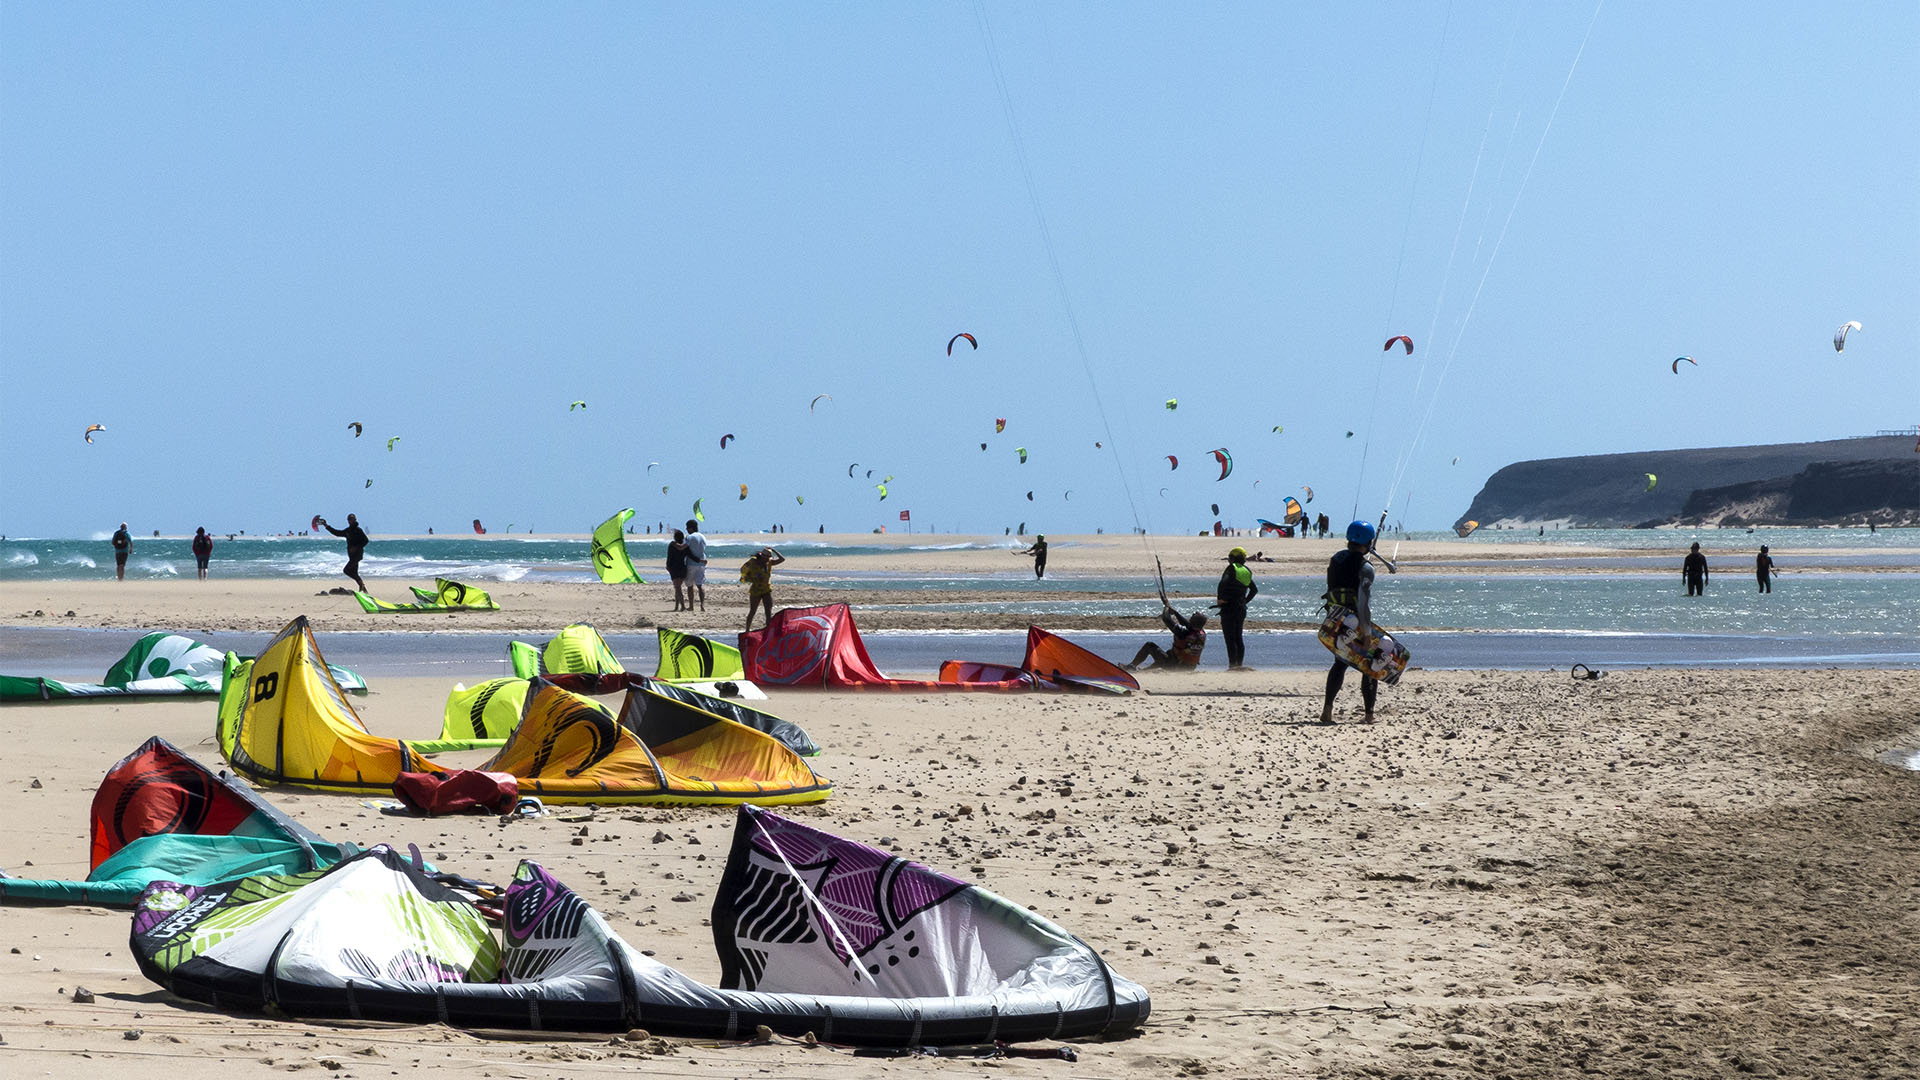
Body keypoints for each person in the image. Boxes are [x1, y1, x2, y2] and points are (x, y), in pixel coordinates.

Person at [1320, 520, 1381, 724]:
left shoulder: (1335, 559)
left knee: (1340, 663)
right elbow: (1363, 603)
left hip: (1334, 619)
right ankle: (1369, 715)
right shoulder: (1366, 568)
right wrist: (1366, 633)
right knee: (1371, 664)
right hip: (1355, 621)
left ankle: (1327, 710)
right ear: (1368, 541)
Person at [1124, 604, 1208, 671]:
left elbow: (1166, 619)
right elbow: (1187, 624)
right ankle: (1146, 671)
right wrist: (1175, 613)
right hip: (1189, 667)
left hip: (1176, 666)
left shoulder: (1183, 632)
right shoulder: (1201, 633)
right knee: (1169, 653)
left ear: (1193, 621)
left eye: (1192, 617)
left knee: (1149, 645)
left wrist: (1166, 607)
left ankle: (1132, 666)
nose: (1190, 618)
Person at [1215, 546, 1258, 670]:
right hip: (1241, 609)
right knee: (1238, 637)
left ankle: (1232, 666)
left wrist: (1220, 599)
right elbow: (1254, 590)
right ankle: (1239, 664)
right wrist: (1244, 601)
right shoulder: (1247, 571)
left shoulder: (1231, 569)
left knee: (1230, 638)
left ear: (1232, 558)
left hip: (1228, 607)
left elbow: (1223, 583)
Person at [318, 514, 369, 592]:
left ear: (355, 520)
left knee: (346, 570)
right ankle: (364, 590)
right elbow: (337, 533)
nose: (350, 521)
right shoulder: (348, 531)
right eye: (348, 519)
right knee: (354, 573)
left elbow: (365, 541)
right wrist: (326, 525)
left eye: (351, 519)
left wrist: (356, 548)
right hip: (351, 556)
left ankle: (362, 585)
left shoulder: (358, 530)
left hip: (357, 555)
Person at [740, 546, 785, 630]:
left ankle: (768, 629)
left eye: (769, 557)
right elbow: (743, 569)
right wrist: (748, 578)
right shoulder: (753, 562)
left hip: (766, 589)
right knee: (753, 611)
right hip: (756, 590)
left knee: (768, 611)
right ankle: (747, 630)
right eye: (767, 557)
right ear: (762, 556)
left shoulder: (769, 562)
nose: (768, 559)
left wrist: (774, 550)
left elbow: (782, 559)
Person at [683, 519, 708, 612]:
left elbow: (684, 549)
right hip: (702, 563)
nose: (686, 529)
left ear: (691, 528)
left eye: (687, 527)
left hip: (691, 563)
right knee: (700, 585)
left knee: (690, 585)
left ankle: (691, 606)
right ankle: (702, 605)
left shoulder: (689, 537)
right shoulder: (703, 536)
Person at [666, 529, 690, 611]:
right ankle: (676, 607)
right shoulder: (685, 546)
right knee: (677, 587)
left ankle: (682, 606)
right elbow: (690, 555)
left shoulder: (672, 545)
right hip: (682, 567)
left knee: (677, 588)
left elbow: (669, 557)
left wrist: (667, 566)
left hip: (674, 568)